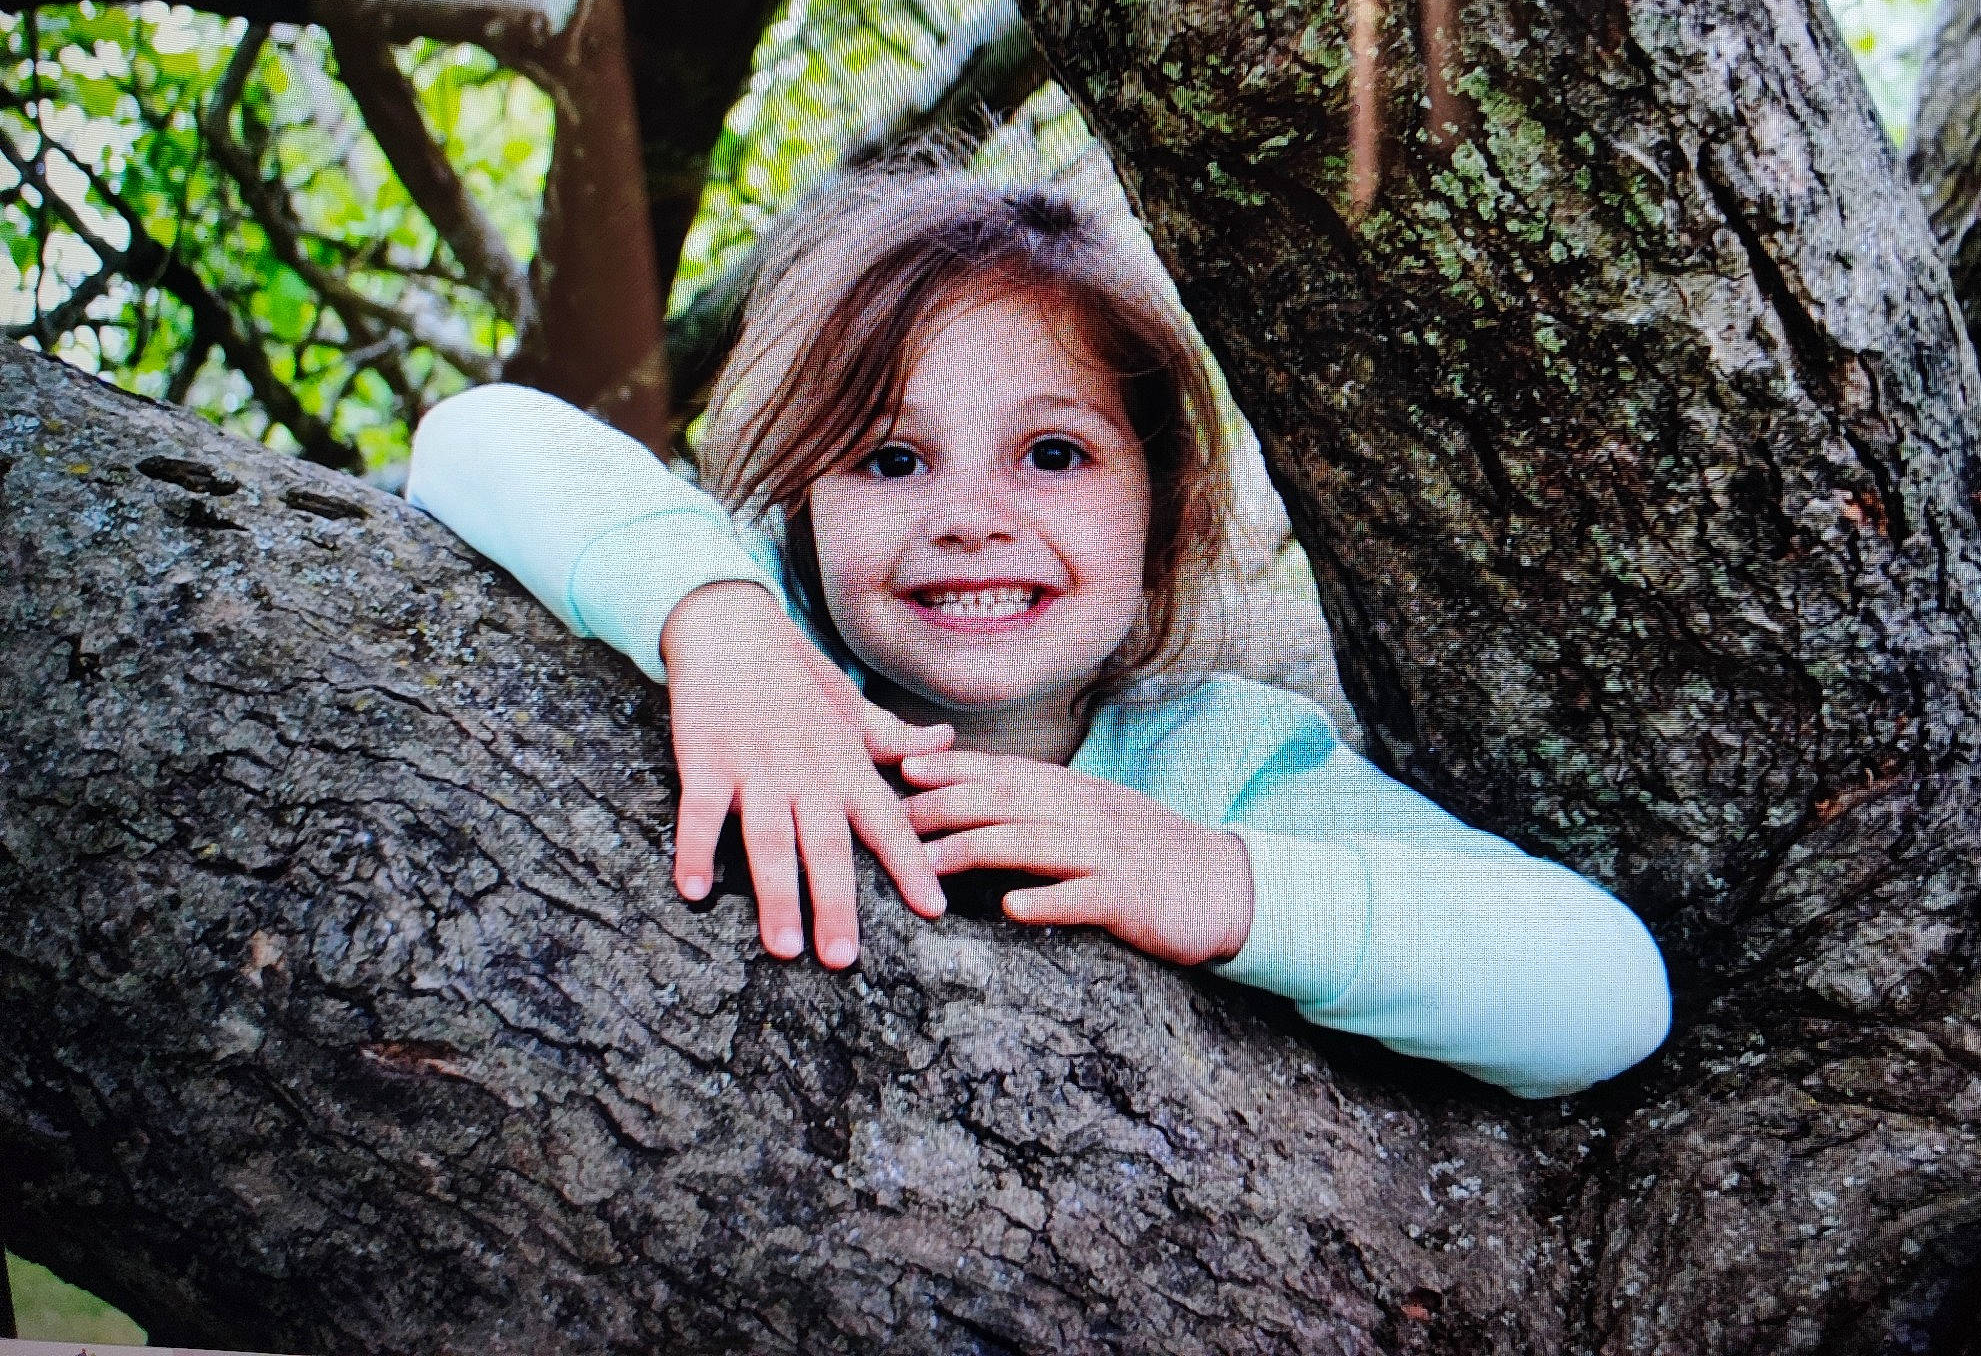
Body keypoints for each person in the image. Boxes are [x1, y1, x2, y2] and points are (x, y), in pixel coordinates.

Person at [406, 159, 1670, 1099]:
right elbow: (474, 435)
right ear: (797, 504)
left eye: (1052, 453)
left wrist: (1221, 880)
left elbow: (1607, 992)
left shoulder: (1214, 757)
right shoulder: (765, 616)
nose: (967, 520)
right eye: (890, 458)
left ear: (1159, 508)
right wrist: (722, 634)